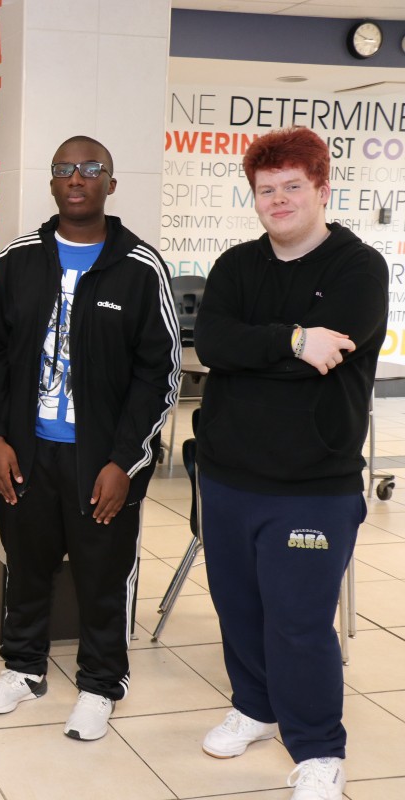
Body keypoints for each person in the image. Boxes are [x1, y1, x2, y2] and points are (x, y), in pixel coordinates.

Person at [193, 127, 387, 800]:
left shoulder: (359, 269)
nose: (277, 201)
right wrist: (294, 340)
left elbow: (330, 358)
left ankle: (318, 751)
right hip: (226, 475)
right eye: (265, 190)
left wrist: (261, 352)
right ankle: (254, 706)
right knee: (238, 607)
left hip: (312, 486)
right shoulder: (237, 267)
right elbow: (213, 340)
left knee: (299, 622)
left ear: (322, 190)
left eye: (292, 187)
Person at [0, 136, 179, 741]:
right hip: (27, 452)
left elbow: (159, 374)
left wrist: (124, 461)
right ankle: (23, 668)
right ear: (52, 182)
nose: (76, 178)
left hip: (102, 461)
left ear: (110, 184)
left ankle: (99, 683)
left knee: (102, 575)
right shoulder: (18, 260)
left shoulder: (141, 267)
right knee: (29, 564)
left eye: (91, 169)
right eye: (64, 168)